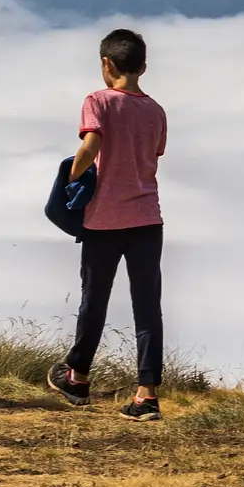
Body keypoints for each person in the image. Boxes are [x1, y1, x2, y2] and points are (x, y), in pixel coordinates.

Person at [47, 28, 169, 421]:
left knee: (94, 301)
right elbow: (152, 155)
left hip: (103, 220)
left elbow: (91, 146)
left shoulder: (97, 101)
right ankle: (146, 396)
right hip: (148, 219)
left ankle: (78, 377)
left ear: (106, 64)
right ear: (143, 67)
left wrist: (69, 180)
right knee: (147, 307)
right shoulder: (156, 111)